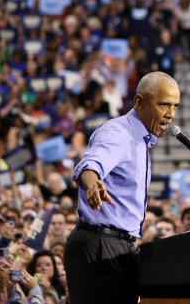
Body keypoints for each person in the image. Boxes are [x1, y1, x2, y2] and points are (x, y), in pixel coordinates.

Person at [63, 71, 181, 304]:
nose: (171, 114)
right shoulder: (118, 133)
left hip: (117, 248)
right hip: (99, 248)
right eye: (164, 105)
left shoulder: (141, 140)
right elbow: (89, 166)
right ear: (139, 102)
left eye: (176, 106)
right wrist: (92, 185)